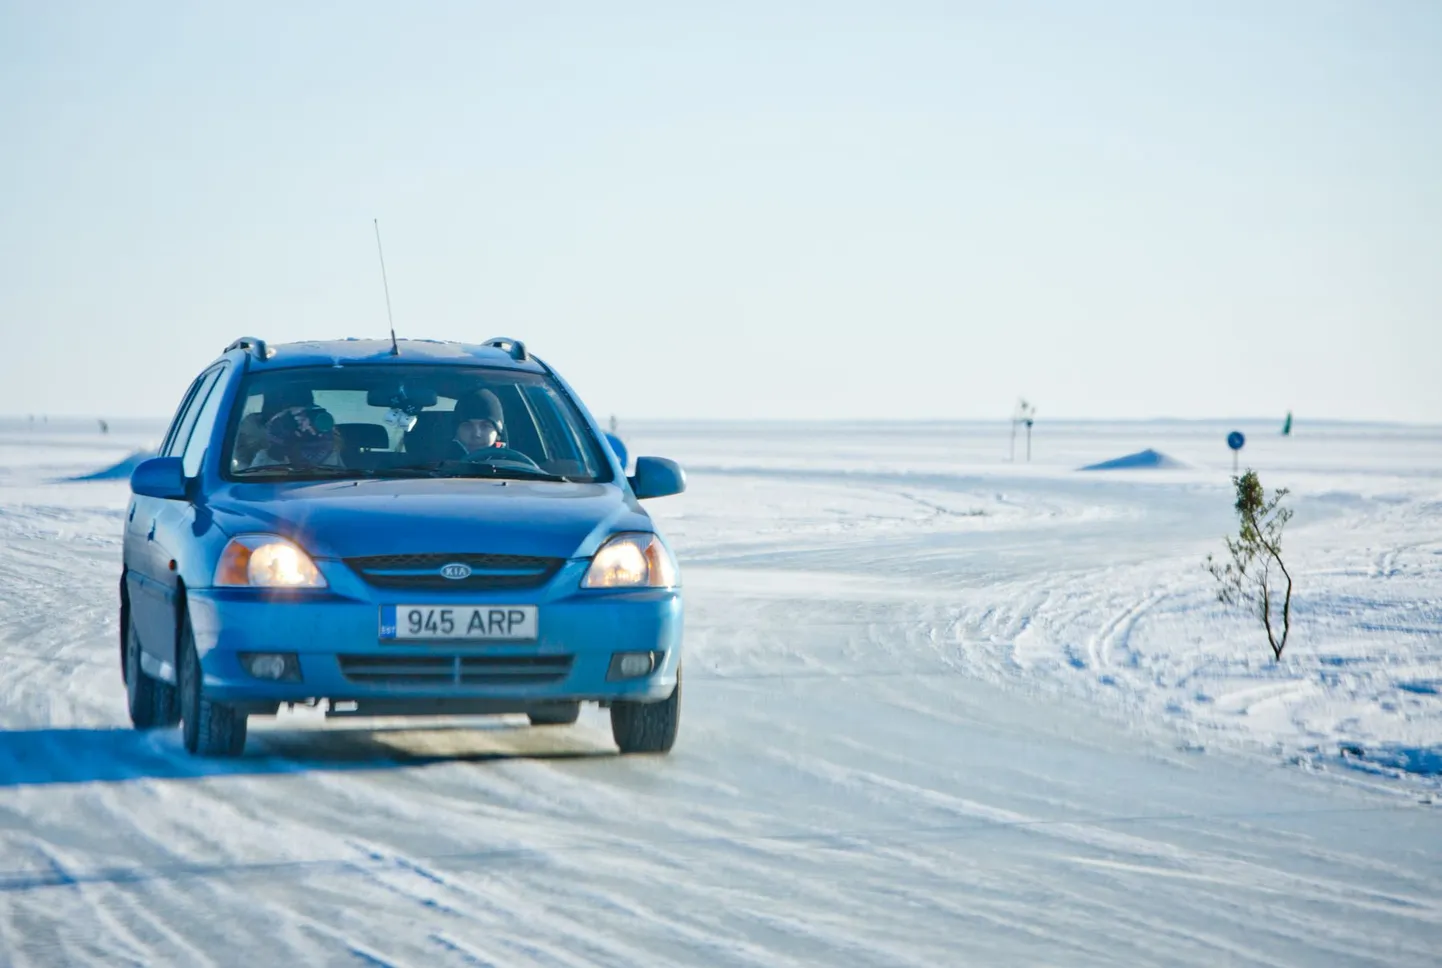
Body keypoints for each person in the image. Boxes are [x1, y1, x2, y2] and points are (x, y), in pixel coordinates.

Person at [245, 404, 343, 469]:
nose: (304, 425)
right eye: (295, 420)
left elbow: (339, 480)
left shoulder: (328, 452)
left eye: (306, 418)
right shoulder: (266, 457)